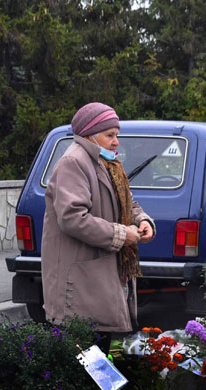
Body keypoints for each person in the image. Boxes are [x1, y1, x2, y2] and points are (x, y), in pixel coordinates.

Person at [41, 102, 155, 337]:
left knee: (100, 358)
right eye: (109, 135)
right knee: (85, 358)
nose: (116, 141)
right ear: (90, 135)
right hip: (81, 283)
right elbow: (73, 218)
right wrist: (123, 234)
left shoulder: (107, 163)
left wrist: (143, 220)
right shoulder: (73, 162)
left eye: (116, 135)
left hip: (97, 278)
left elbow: (127, 203)